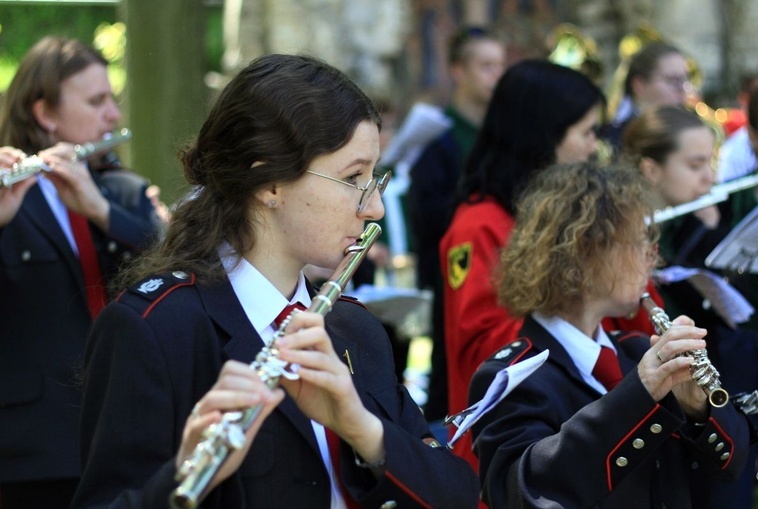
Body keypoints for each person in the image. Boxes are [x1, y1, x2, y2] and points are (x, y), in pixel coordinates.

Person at [72, 53, 480, 508]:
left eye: (374, 178)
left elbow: (457, 494)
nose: (375, 209)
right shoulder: (155, 329)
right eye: (353, 178)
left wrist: (363, 429)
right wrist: (180, 480)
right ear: (269, 183)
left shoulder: (354, 330)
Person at [468, 161, 752, 508]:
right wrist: (639, 394)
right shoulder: (511, 377)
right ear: (586, 252)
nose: (653, 257)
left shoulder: (633, 351)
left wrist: (698, 409)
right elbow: (521, 493)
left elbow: (733, 466)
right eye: (639, 241)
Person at [0, 36, 160, 509]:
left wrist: (101, 212)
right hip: (32, 453)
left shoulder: (122, 192)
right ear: (46, 114)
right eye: (96, 101)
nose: (113, 115)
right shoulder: (9, 198)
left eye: (112, 99)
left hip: (124, 431)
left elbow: (181, 265)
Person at [439, 59, 605, 471]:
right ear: (543, 135)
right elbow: (482, 347)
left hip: (560, 424)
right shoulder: (479, 226)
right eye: (586, 132)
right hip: (504, 447)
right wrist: (584, 301)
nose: (593, 147)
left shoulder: (546, 215)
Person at [623, 104, 758, 508]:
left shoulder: (701, 213)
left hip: (708, 387)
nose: (709, 178)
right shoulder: (626, 232)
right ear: (652, 170)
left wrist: (709, 231)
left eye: (711, 164)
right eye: (696, 164)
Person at [408, 25, 506, 427]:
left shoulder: (498, 136)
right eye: (485, 66)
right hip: (454, 271)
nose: (495, 76)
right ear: (458, 71)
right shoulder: (439, 137)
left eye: (500, 66)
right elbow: (425, 215)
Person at [601, 41, 689, 153]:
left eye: (684, 80)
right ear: (639, 85)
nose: (683, 90)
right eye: (673, 80)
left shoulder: (686, 133)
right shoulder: (613, 141)